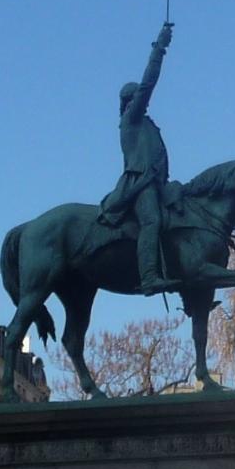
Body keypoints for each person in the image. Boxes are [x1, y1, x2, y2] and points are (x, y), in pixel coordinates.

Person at [97, 20, 175, 294]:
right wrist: (160, 48)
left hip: (157, 183)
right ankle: (150, 276)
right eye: (136, 98)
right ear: (129, 101)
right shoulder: (130, 119)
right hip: (139, 184)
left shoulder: (146, 124)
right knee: (151, 221)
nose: (141, 101)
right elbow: (148, 83)